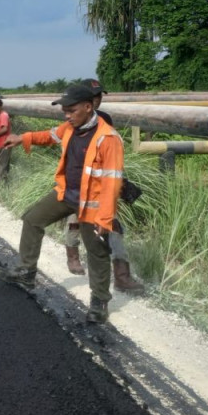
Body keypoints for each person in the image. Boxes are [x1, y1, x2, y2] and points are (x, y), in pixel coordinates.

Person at [0, 84, 124, 324]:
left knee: (96, 251)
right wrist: (22, 137)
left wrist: (105, 218)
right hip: (67, 193)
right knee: (32, 219)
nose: (67, 115)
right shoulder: (70, 127)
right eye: (65, 111)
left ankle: (99, 302)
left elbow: (112, 182)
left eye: (71, 110)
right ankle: (26, 271)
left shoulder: (108, 138)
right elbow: (49, 135)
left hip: (92, 203)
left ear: (88, 107)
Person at [62, 78, 144, 293]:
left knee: (113, 226)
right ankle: (73, 256)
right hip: (78, 187)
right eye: (94, 96)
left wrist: (120, 183)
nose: (97, 100)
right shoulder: (73, 122)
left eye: (99, 96)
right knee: (75, 221)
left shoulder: (105, 121)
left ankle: (122, 275)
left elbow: (110, 159)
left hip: (100, 188)